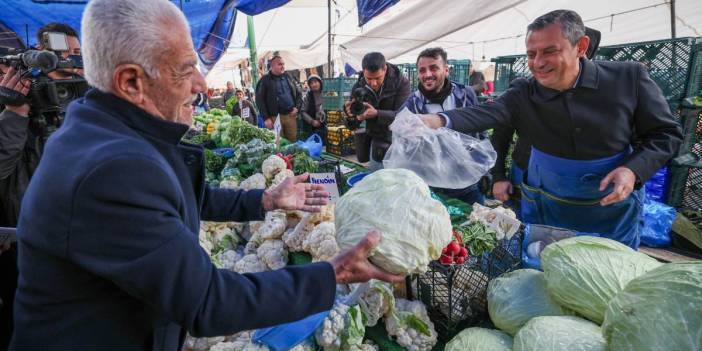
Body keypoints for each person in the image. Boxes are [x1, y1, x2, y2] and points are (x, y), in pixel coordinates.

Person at [10, 1, 401, 350]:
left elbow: (178, 195)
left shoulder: (109, 132)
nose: (201, 85)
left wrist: (264, 200)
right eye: (185, 71)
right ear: (131, 82)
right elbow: (208, 302)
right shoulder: (111, 169)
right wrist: (334, 273)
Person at [420, 10, 682, 249]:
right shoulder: (524, 90)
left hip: (611, 205)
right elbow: (489, 113)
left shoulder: (628, 78)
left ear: (581, 46)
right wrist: (436, 121)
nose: (538, 63)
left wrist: (633, 170)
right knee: (544, 263)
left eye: (549, 51)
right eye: (531, 54)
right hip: (548, 203)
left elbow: (666, 134)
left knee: (612, 272)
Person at [490, 26, 602, 215]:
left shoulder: (599, 92)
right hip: (525, 174)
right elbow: (501, 135)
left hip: (583, 185)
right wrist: (498, 176)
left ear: (582, 50)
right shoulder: (527, 92)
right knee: (527, 229)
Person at [401, 47, 485, 205]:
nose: (427, 75)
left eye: (434, 68)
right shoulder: (413, 103)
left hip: (467, 182)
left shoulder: (466, 94)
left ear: (446, 70)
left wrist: (483, 168)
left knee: (476, 221)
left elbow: (480, 131)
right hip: (432, 184)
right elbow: (402, 135)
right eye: (422, 70)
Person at [344, 52, 411, 170]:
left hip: (399, 140)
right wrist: (351, 116)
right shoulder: (359, 87)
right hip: (377, 142)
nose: (373, 83)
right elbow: (352, 125)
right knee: (377, 179)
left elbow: (404, 116)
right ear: (363, 71)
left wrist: (377, 114)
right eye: (369, 78)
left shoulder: (401, 82)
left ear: (385, 69)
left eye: (377, 78)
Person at [255, 53, 302, 141]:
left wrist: (297, 108)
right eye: (280, 64)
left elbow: (299, 93)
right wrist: (266, 118)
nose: (283, 66)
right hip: (275, 118)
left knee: (293, 141)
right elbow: (259, 100)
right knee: (278, 143)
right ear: (272, 66)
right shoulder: (265, 80)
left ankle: (291, 155)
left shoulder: (289, 77)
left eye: (283, 64)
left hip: (290, 116)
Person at [300, 74, 326, 140]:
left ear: (320, 82)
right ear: (310, 86)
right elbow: (303, 111)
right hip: (314, 126)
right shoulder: (308, 96)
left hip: (327, 124)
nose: (314, 84)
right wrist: (312, 121)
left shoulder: (326, 93)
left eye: (315, 82)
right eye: (311, 83)